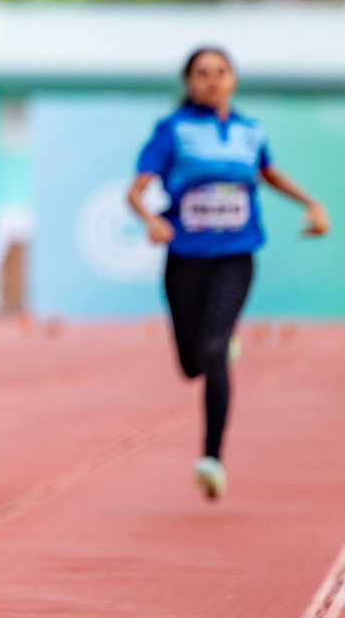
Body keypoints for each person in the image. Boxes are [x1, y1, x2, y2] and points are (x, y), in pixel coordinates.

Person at [128, 47, 328, 500]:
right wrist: (152, 220)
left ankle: (211, 458)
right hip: (185, 257)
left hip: (236, 255)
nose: (212, 81)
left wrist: (312, 204)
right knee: (191, 364)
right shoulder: (172, 131)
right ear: (188, 82)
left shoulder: (249, 131)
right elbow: (136, 192)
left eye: (221, 73)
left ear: (233, 79)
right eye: (202, 74)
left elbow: (269, 174)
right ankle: (214, 350)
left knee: (215, 349)